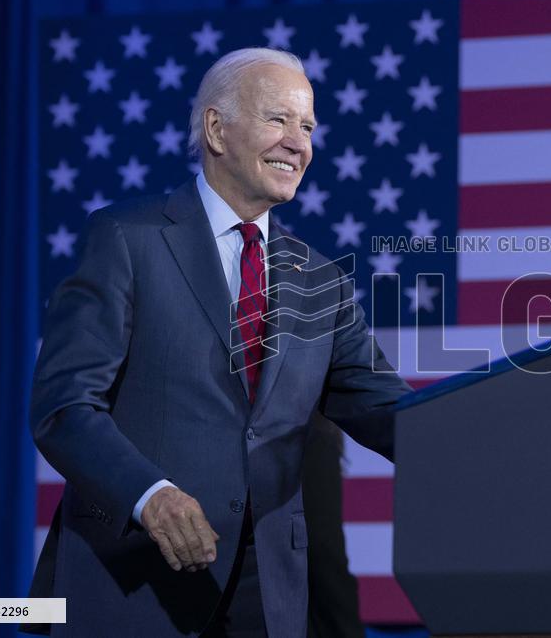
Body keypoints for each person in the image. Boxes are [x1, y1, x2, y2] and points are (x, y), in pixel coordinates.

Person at [25, 48, 410, 637]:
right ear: (215, 129)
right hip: (136, 583)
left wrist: (484, 432)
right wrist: (149, 494)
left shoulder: (321, 279)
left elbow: (386, 409)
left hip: (268, 599)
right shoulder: (127, 238)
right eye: (278, 120)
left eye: (307, 127)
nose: (298, 143)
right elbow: (64, 405)